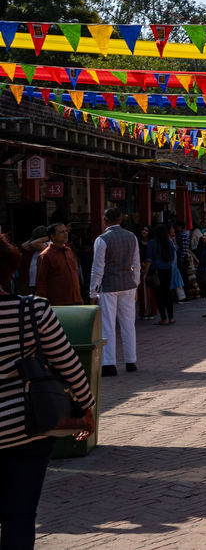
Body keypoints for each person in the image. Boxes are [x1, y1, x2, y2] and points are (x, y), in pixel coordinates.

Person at [0, 231, 95, 550]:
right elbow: (69, 365)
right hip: (26, 429)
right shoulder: (33, 310)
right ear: (9, 269)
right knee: (20, 516)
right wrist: (86, 407)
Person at [89, 207, 141, 376]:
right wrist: (136, 285)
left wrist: (93, 292)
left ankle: (109, 364)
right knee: (128, 323)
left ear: (105, 219)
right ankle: (131, 360)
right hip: (128, 284)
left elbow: (97, 269)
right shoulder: (131, 237)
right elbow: (136, 264)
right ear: (121, 219)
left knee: (108, 325)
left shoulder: (102, 239)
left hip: (109, 286)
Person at [34, 224, 82, 307]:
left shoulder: (69, 251)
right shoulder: (45, 255)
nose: (65, 234)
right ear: (52, 236)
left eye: (66, 231)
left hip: (75, 301)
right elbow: (41, 283)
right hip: (58, 304)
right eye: (61, 232)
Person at [144, 223, 179, 326]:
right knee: (168, 292)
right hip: (167, 269)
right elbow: (173, 257)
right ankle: (171, 317)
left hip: (156, 270)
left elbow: (149, 259)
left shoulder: (152, 243)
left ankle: (164, 318)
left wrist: (145, 273)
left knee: (159, 295)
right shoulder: (169, 242)